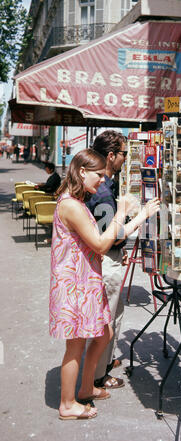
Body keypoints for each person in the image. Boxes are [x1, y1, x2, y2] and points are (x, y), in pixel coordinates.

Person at [49, 148, 159, 420]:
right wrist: (121, 212)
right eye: (98, 175)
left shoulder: (77, 201)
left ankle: (87, 388)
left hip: (86, 282)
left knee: (104, 334)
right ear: (82, 171)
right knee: (75, 345)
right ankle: (67, 404)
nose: (102, 180)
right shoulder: (71, 205)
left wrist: (139, 216)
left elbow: (106, 239)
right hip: (74, 285)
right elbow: (100, 244)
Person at [86, 130, 130, 390]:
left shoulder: (105, 184)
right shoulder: (103, 190)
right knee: (107, 320)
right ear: (111, 156)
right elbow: (109, 236)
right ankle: (98, 376)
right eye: (123, 154)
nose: (126, 158)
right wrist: (134, 219)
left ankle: (105, 362)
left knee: (114, 314)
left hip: (110, 258)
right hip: (107, 261)